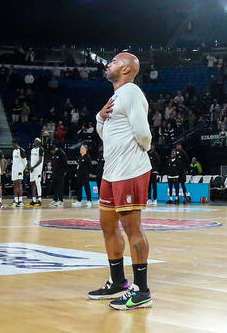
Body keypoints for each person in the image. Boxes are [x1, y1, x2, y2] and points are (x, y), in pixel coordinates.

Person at [89, 52, 152, 311]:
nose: (108, 64)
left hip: (129, 170)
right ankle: (118, 282)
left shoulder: (132, 92)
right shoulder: (116, 96)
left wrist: (137, 154)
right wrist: (99, 117)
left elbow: (143, 134)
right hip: (111, 171)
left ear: (126, 69)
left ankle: (141, 291)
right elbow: (105, 133)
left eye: (114, 62)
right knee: (107, 225)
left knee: (131, 227)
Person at [25, 137, 44, 208]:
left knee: (37, 183)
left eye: (36, 141)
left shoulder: (41, 149)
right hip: (32, 169)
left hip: (38, 169)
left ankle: (39, 199)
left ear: (38, 142)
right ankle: (34, 200)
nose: (34, 141)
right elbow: (30, 159)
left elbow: (40, 160)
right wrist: (29, 166)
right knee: (32, 183)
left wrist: (33, 167)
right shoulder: (32, 150)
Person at [10, 140, 27, 208]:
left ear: (16, 144)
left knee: (19, 185)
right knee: (15, 185)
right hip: (14, 170)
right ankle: (15, 200)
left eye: (13, 144)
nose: (12, 146)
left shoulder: (21, 150)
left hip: (19, 170)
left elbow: (25, 162)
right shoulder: (14, 151)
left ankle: (20, 200)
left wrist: (21, 170)